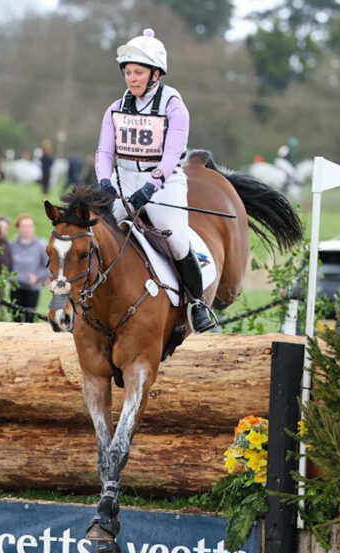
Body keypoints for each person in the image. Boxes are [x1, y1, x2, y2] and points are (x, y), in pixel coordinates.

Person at [93, 28, 216, 332]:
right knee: (96, 234)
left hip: (164, 183)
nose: (131, 78)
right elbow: (103, 151)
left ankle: (198, 303)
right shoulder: (116, 108)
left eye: (138, 72)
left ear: (155, 74)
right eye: (128, 72)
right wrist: (104, 182)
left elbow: (172, 153)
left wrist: (151, 186)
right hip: (124, 181)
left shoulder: (173, 106)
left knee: (175, 240)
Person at [8, 214, 49, 323]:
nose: (27, 229)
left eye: (29, 226)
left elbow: (47, 267)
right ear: (18, 228)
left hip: (32, 288)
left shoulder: (40, 246)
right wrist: (15, 277)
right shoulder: (12, 245)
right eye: (24, 226)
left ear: (34, 228)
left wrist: (37, 277)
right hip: (15, 288)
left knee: (29, 318)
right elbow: (7, 268)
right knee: (16, 317)